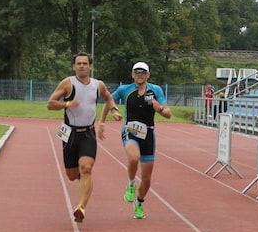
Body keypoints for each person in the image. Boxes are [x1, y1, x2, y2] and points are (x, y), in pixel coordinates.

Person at [48, 52, 122, 223]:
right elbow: (50, 104)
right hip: (69, 134)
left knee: (86, 167)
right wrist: (67, 103)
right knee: (73, 175)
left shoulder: (98, 85)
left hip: (88, 133)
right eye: (78, 64)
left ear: (90, 66)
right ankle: (84, 181)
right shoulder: (68, 83)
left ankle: (81, 207)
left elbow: (109, 98)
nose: (82, 66)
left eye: (85, 63)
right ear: (74, 66)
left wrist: (114, 110)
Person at [101, 61, 170, 219]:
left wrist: (158, 108)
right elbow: (109, 100)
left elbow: (168, 113)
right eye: (137, 72)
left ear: (148, 75)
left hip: (149, 134)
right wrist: (105, 119)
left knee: (146, 178)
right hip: (130, 130)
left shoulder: (156, 90)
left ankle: (139, 203)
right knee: (133, 157)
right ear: (132, 74)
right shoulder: (125, 89)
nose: (140, 75)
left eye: (143, 72)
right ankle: (131, 183)